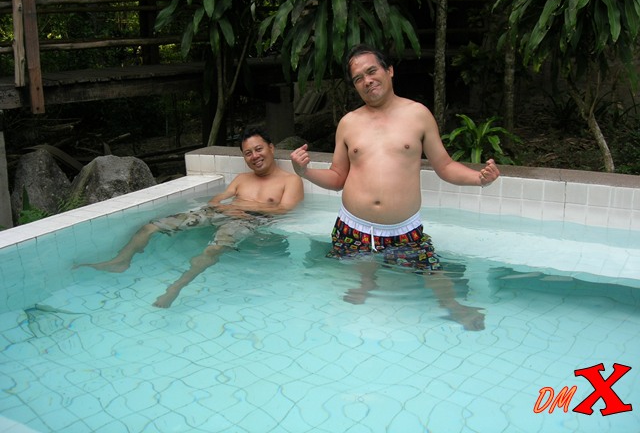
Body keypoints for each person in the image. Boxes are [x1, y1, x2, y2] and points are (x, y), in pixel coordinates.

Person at [290, 44, 500, 330]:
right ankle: (367, 282)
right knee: (363, 266)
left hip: (404, 229)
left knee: (431, 269)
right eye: (358, 78)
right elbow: (338, 177)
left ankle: (453, 306)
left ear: (389, 70)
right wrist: (305, 172)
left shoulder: (418, 115)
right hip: (354, 226)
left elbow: (445, 165)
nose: (367, 81)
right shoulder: (348, 123)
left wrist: (478, 179)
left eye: (372, 71)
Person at [77, 128, 304, 308]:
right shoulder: (242, 178)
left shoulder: (290, 180)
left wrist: (244, 206)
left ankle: (176, 287)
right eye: (248, 153)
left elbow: (284, 209)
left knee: (213, 249)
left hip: (251, 220)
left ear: (271, 148)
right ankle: (121, 260)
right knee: (152, 226)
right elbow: (215, 200)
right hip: (222, 212)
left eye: (258, 149)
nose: (255, 156)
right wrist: (223, 208)